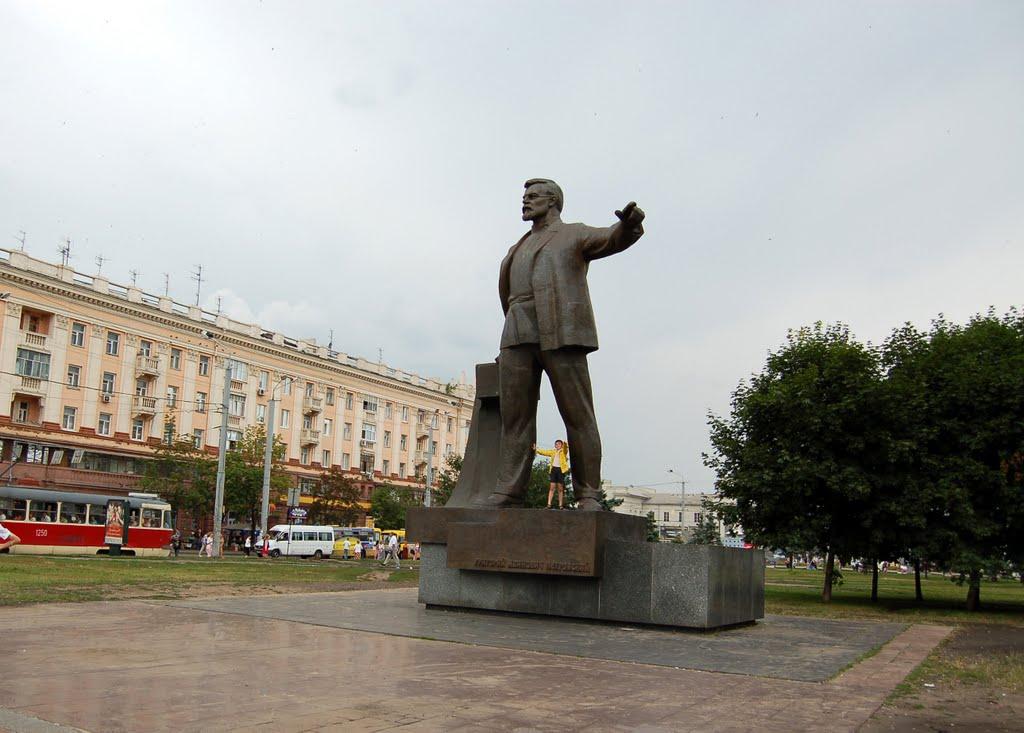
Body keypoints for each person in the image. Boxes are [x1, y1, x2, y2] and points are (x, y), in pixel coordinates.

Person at [478, 179, 644, 511]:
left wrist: (629, 225)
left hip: (560, 329)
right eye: (523, 197)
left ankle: (588, 494)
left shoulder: (573, 234)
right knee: (516, 418)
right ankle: (509, 489)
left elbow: (612, 238)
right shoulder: (517, 247)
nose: (525, 202)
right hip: (516, 331)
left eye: (533, 197)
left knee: (577, 414)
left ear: (553, 201)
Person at [535, 440, 570, 509]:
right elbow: (544, 452)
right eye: (556, 444)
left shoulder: (563, 452)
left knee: (560, 489)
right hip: (553, 470)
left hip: (560, 470)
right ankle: (549, 504)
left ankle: (560, 505)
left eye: (559, 444)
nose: (557, 445)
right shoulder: (553, 451)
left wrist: (565, 443)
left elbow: (566, 448)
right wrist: (536, 449)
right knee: (552, 488)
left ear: (561, 445)